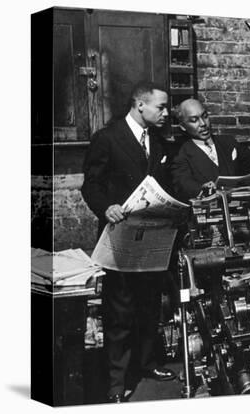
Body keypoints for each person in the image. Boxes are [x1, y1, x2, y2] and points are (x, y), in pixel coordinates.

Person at [81, 81, 176, 403]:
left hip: (151, 240)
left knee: (150, 306)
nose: (166, 112)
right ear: (140, 105)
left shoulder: (160, 142)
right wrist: (105, 206)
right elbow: (91, 185)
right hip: (118, 238)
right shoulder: (107, 138)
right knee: (119, 312)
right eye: (160, 107)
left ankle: (148, 365)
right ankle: (117, 383)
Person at [171, 99, 250, 202]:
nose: (203, 124)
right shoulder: (181, 154)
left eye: (205, 116)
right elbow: (183, 183)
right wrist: (201, 189)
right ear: (183, 127)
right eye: (194, 120)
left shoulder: (228, 142)